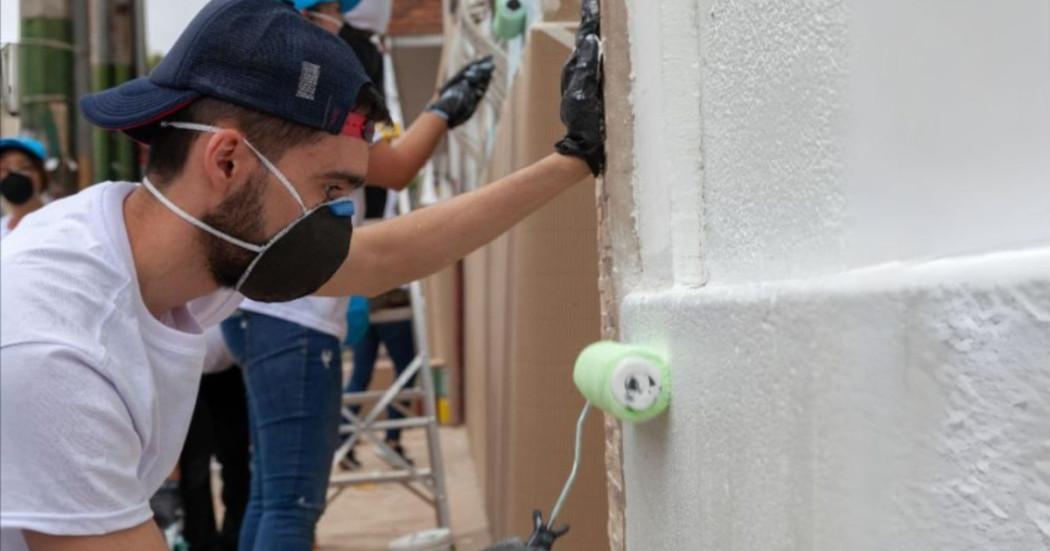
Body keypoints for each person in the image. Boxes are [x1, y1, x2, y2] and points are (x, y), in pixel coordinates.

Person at [0, 2, 603, 551]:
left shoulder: (179, 246)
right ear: (227, 161)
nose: (338, 216)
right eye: (329, 189)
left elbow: (383, 256)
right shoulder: (55, 349)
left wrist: (572, 159)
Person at [219, 2, 494, 548]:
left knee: (272, 495)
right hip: (293, 318)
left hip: (259, 311)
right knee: (293, 505)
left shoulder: (266, 82)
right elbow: (391, 168)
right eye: (326, 10)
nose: (337, 22)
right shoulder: (311, 85)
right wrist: (444, 108)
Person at [178, 326, 250, 551]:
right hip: (181, 370)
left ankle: (235, 539)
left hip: (228, 368)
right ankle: (201, 542)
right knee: (194, 471)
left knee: (238, 462)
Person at [0, 136, 49, 239]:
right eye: (3, 169)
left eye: (24, 167)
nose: (13, 174)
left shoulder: (60, 223)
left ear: (41, 174)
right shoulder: (2, 229)